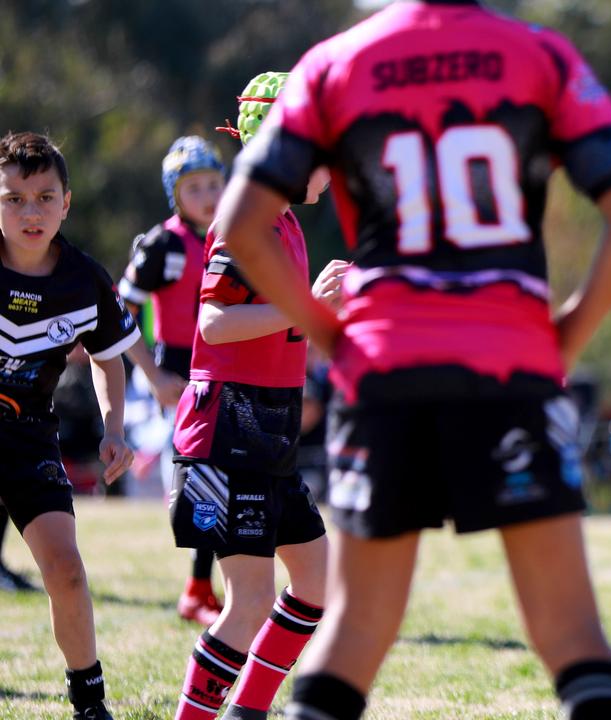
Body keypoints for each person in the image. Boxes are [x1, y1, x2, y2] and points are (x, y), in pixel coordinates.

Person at [211, 3, 611, 717]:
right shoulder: (541, 55)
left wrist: (329, 335)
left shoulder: (334, 62)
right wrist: (567, 333)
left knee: (354, 633)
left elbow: (238, 222)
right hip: (511, 365)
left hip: (384, 370)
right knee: (574, 637)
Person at [168, 73, 345, 720]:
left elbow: (283, 325)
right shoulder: (247, 219)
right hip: (226, 437)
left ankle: (248, 713)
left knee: (317, 585)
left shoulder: (289, 223)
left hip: (270, 436)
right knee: (247, 602)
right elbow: (214, 324)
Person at [0, 130, 139, 719]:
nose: (31, 212)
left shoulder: (85, 281)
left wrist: (114, 427)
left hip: (28, 432)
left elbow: (110, 356)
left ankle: (89, 702)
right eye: (14, 198)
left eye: (45, 197)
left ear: (67, 202)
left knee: (66, 569)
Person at [118, 135, 227, 625]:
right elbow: (120, 307)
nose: (206, 195)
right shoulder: (164, 244)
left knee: (223, 475)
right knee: (200, 477)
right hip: (179, 371)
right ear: (175, 196)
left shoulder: (234, 232)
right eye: (194, 187)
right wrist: (152, 374)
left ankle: (204, 586)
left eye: (213, 184)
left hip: (226, 365)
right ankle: (198, 588)